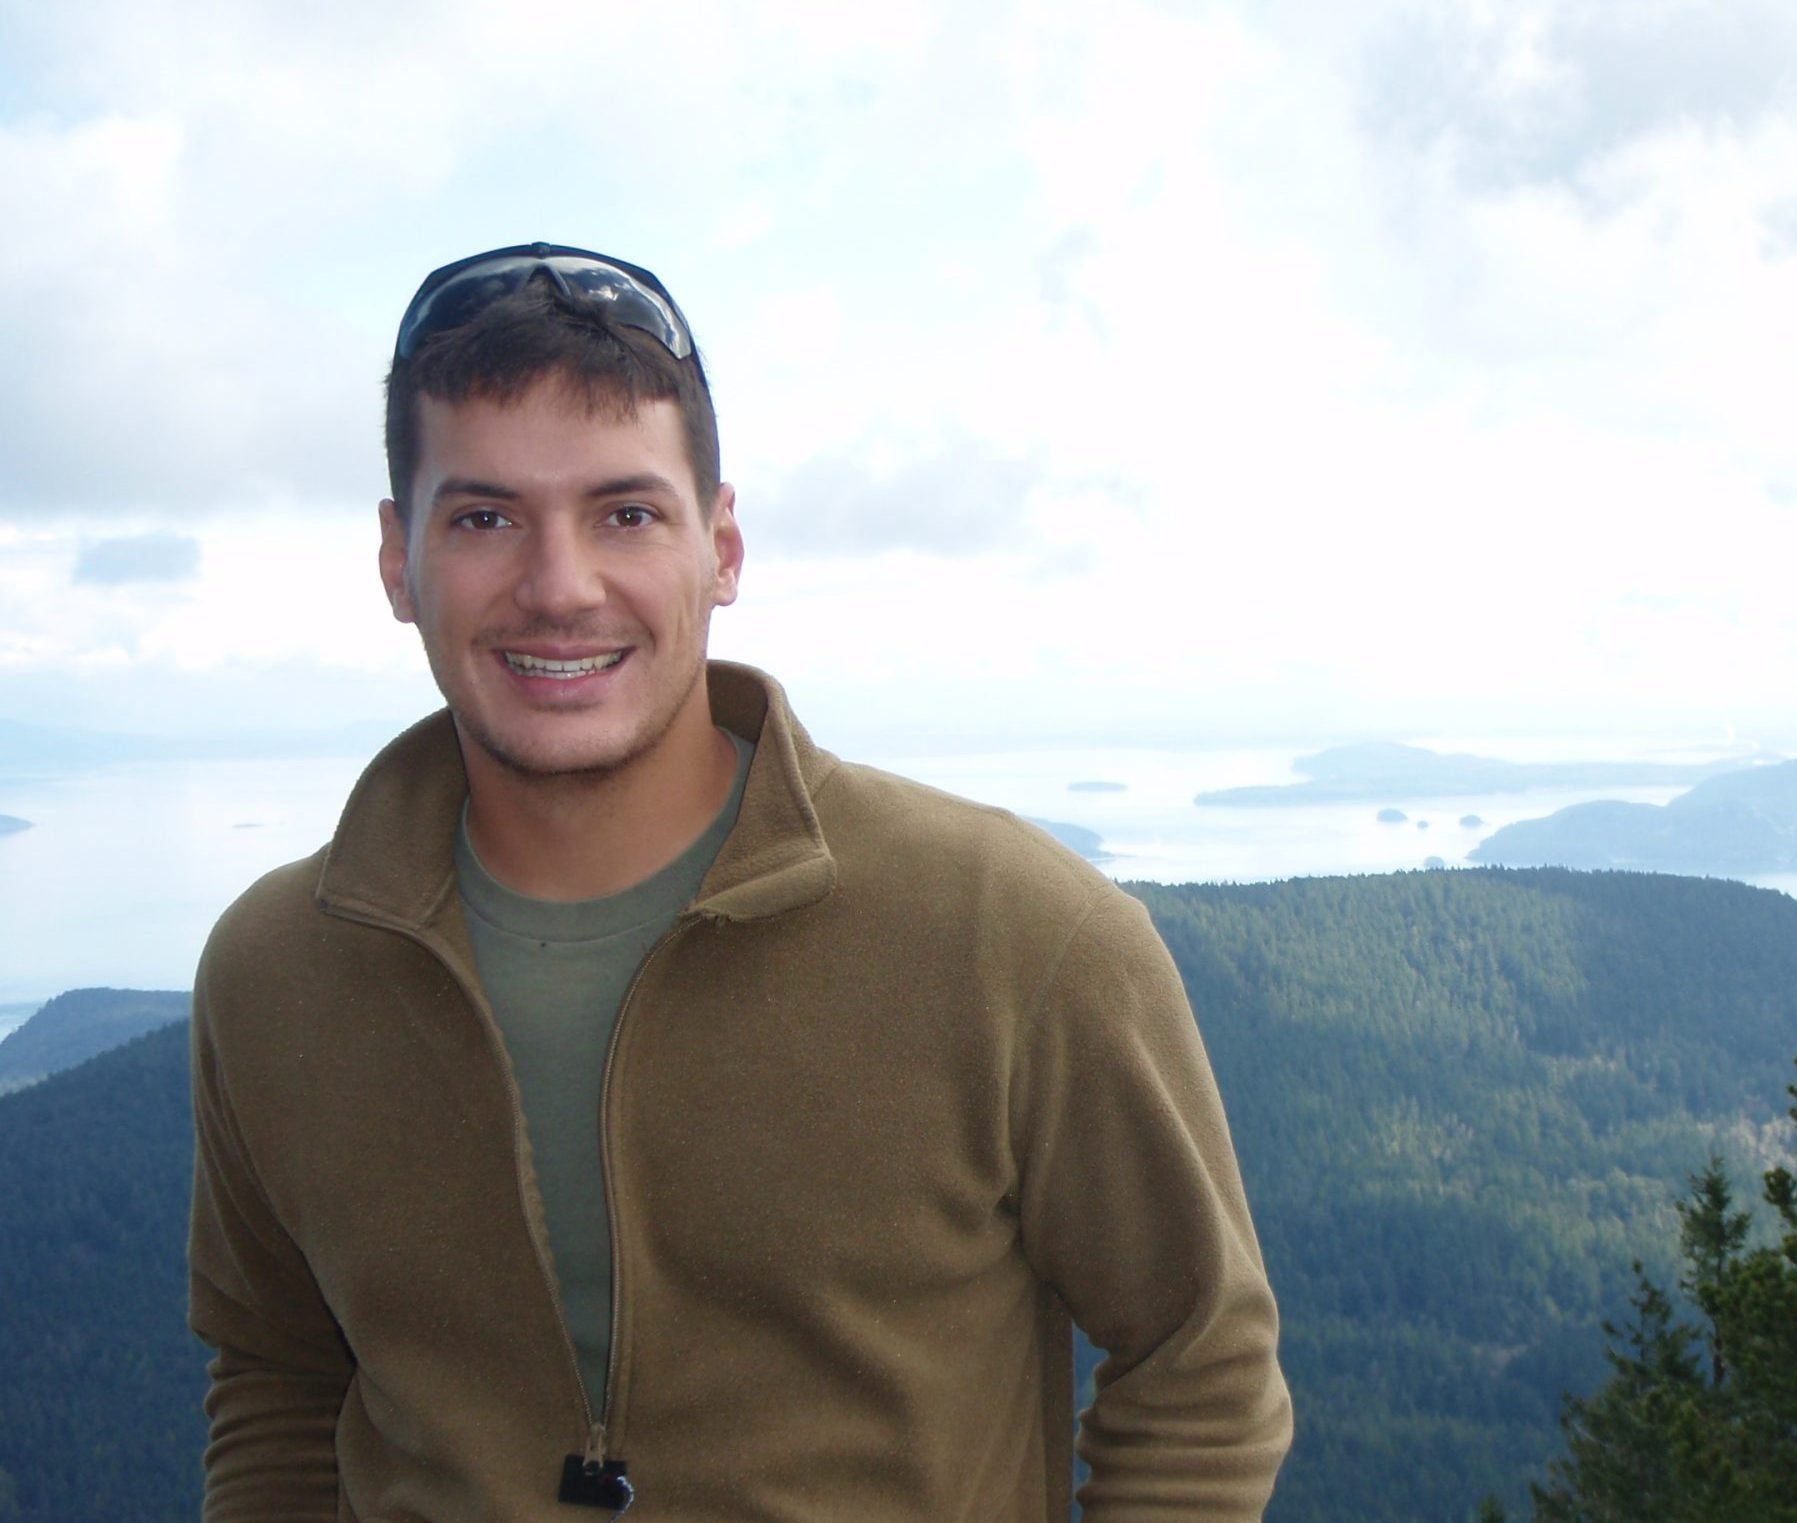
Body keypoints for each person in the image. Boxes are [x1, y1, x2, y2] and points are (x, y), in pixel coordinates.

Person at [186, 243, 1292, 1521]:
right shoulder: (278, 970)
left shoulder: (1012, 933)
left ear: (721, 546)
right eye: (484, 517)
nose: (559, 586)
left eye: (627, 513)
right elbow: (274, 1377)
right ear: (398, 560)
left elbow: (1200, 1360)